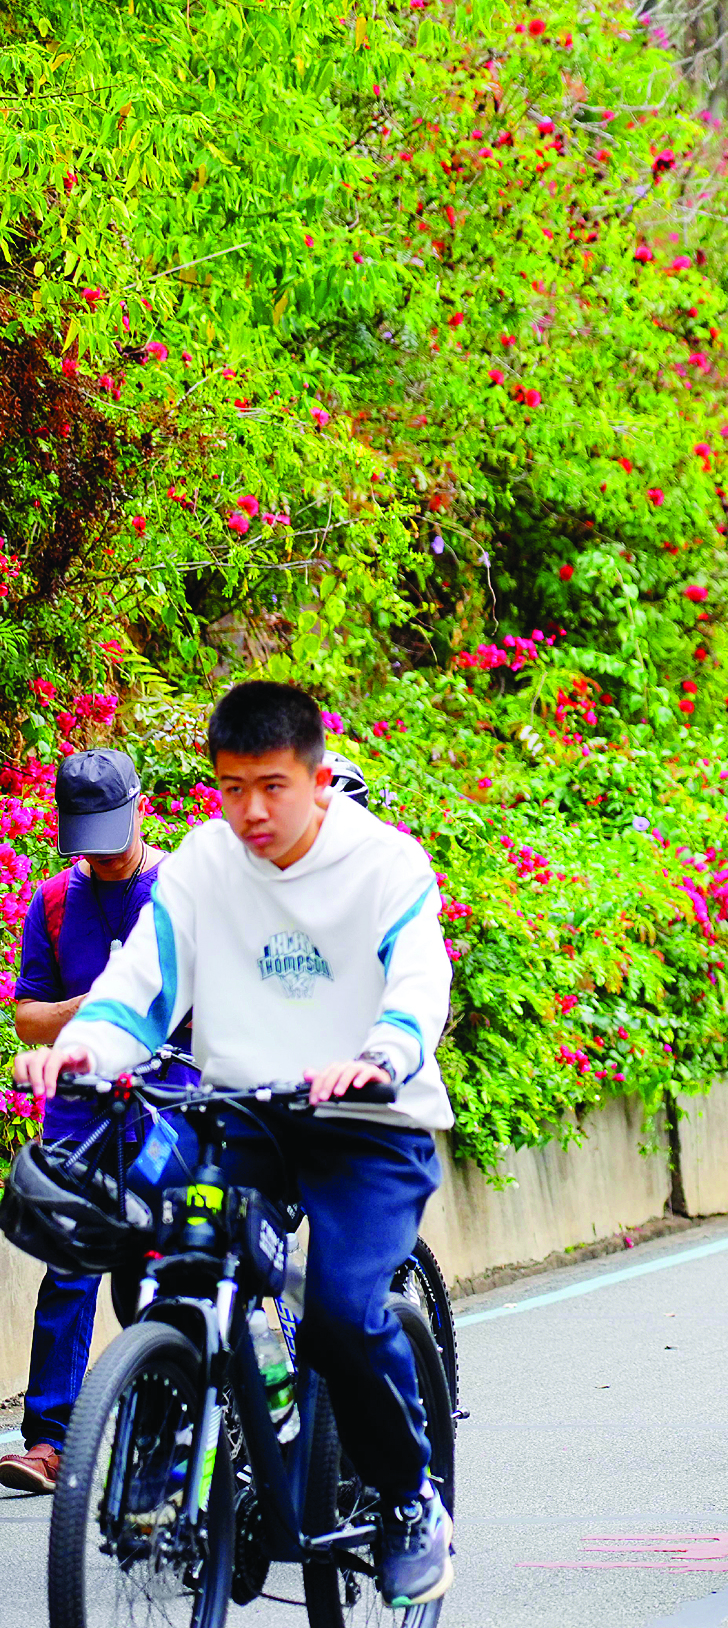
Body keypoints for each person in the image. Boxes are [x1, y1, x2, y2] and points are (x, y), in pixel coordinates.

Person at [14, 682, 458, 1603]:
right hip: (245, 1114)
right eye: (229, 787)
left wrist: (382, 1052)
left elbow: (420, 982)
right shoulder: (202, 867)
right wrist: (83, 1048)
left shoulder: (387, 866)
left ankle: (411, 1498)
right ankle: (173, 1445)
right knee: (166, 1250)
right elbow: (142, 984)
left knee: (340, 1314)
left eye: (272, 786)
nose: (250, 810)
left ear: (319, 777)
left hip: (368, 1121)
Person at [1, 751, 195, 1495]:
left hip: (174, 1102)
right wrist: (84, 1012)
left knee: (169, 1269)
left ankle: (168, 1437)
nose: (102, 851)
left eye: (111, 831)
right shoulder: (53, 902)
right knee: (69, 1265)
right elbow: (27, 1016)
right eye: (87, 837)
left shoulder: (183, 891)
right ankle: (47, 1441)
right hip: (83, 1110)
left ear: (141, 808)